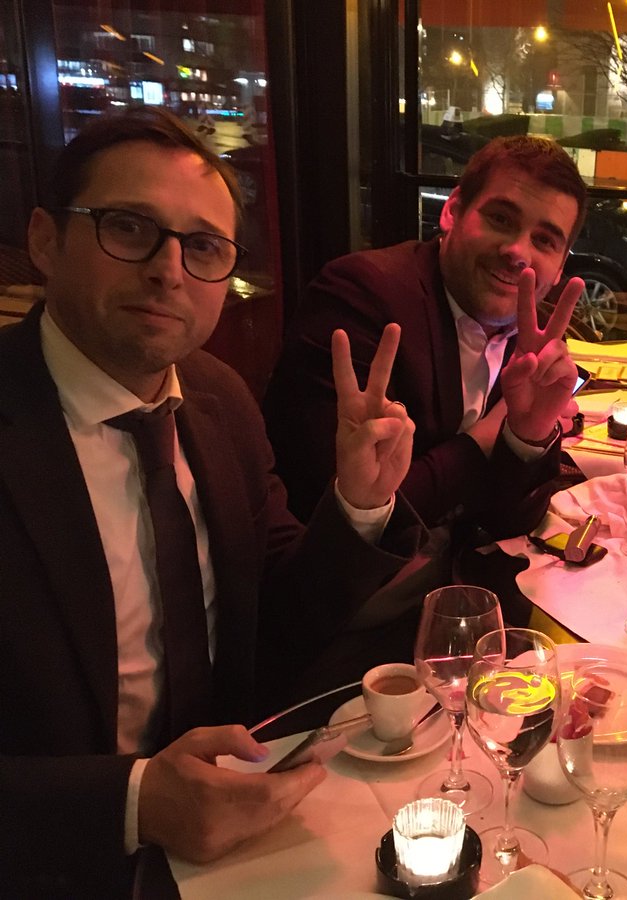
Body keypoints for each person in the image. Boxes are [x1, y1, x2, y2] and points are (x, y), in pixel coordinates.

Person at [0, 106, 424, 898]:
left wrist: (360, 505)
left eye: (202, 247)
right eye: (130, 227)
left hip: (237, 843)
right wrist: (132, 803)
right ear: (47, 240)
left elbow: (278, 620)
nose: (168, 270)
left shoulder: (219, 401)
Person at [263, 135, 586, 550]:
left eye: (544, 241)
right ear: (453, 211)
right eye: (501, 219)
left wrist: (528, 434)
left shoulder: (529, 337)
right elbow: (338, 513)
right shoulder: (360, 295)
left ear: (559, 268)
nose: (517, 251)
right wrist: (486, 438)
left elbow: (506, 522)